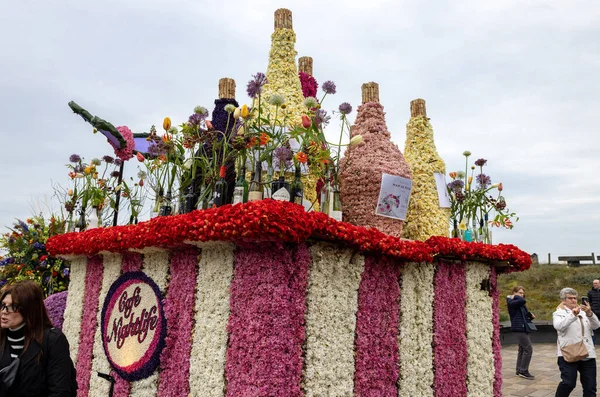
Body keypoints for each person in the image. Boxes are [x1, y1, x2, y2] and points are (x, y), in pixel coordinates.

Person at [0, 280, 77, 396]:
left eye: (13, 307)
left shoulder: (52, 340)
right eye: (3, 305)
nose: (4, 312)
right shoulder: (2, 338)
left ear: (28, 310)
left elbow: (60, 390)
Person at [553, 287, 600, 397]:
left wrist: (589, 313)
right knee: (568, 383)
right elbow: (559, 326)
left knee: (590, 387)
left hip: (587, 353)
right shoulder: (558, 313)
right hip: (568, 353)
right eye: (570, 298)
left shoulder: (583, 312)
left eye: (575, 298)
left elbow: (596, 325)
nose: (573, 300)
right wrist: (573, 315)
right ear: (563, 300)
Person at [507, 285, 536, 379]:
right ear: (514, 293)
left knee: (522, 349)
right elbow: (522, 300)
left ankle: (519, 370)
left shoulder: (519, 304)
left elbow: (524, 315)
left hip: (523, 327)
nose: (522, 295)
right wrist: (513, 296)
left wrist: (530, 316)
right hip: (518, 328)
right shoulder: (511, 302)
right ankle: (523, 371)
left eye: (523, 293)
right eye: (520, 293)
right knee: (528, 349)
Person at [587, 279, 600, 344]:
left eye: (596, 283)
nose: (595, 284)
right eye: (594, 283)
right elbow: (588, 302)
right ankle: (592, 345)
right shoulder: (590, 292)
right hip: (594, 314)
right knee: (593, 330)